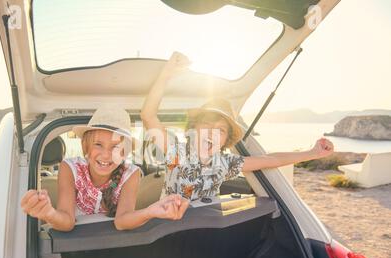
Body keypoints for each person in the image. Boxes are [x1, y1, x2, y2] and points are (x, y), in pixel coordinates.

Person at [141, 52, 335, 201]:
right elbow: (148, 116)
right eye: (207, 124)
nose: (212, 133)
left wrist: (313, 152)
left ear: (225, 140)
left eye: (221, 130)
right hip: (168, 233)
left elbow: (271, 159)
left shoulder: (226, 164)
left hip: (204, 233)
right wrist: (166, 75)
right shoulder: (175, 151)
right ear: (194, 129)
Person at [21, 106, 189, 231]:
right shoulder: (70, 168)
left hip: (109, 243)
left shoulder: (131, 174)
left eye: (116, 147)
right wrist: (48, 213)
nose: (106, 155)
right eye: (98, 145)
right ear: (86, 146)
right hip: (74, 241)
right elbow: (67, 221)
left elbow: (122, 221)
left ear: (124, 153)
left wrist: (150, 211)